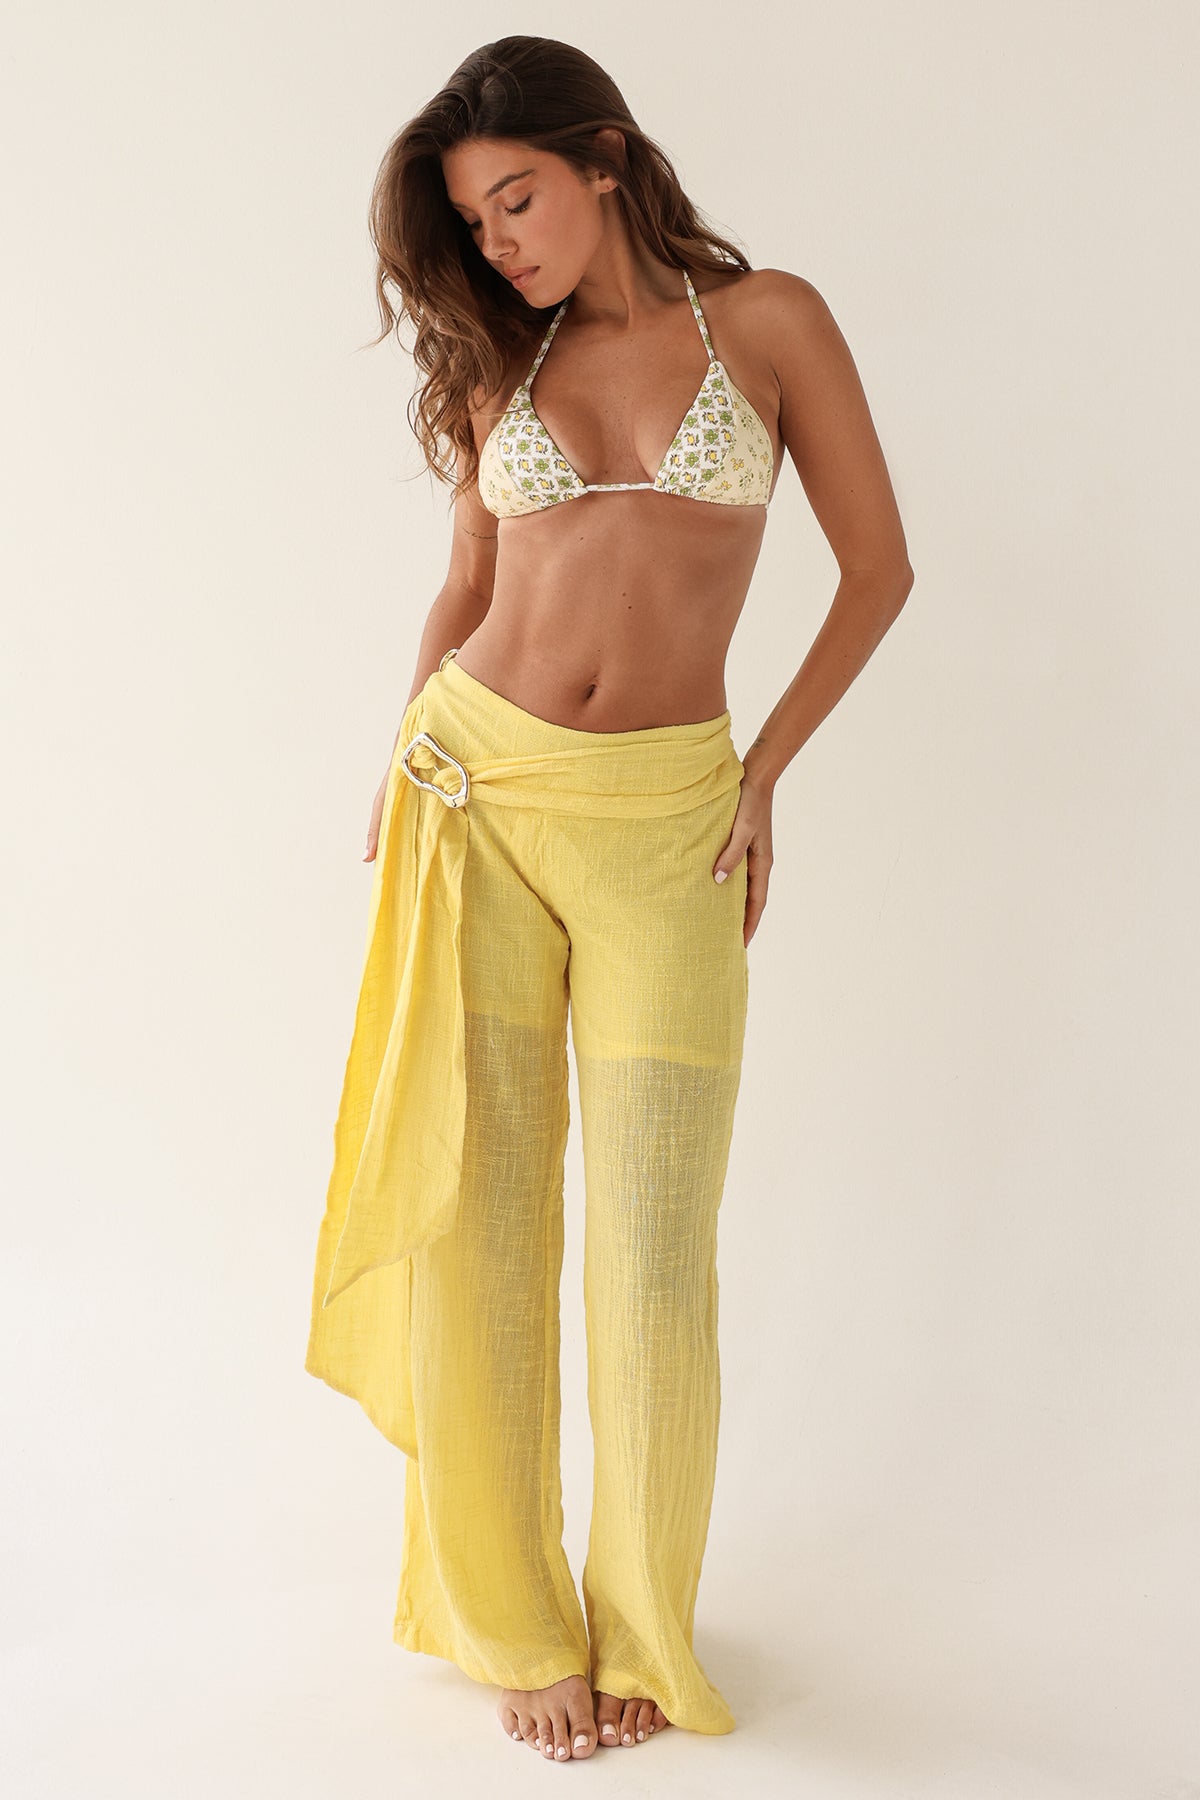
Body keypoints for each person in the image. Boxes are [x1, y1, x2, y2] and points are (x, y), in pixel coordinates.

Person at [305, 33, 914, 1765]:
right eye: (473, 224)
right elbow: (467, 583)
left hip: (667, 827)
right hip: (477, 798)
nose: (497, 244)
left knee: (655, 1251)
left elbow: (879, 569)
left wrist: (763, 774)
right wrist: (401, 751)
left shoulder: (769, 325)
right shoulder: (503, 360)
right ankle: (512, 1620)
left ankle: (646, 1622)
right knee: (485, 1228)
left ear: (607, 159)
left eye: (516, 201)